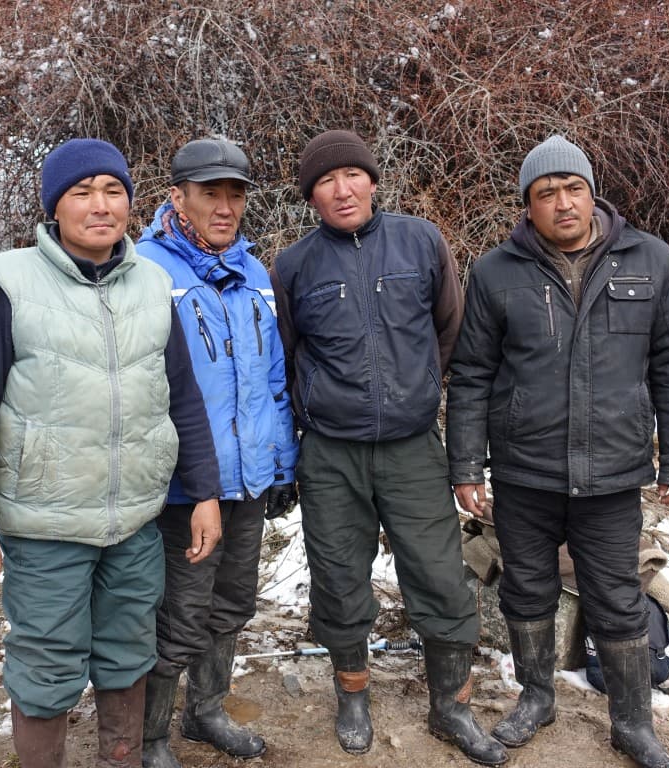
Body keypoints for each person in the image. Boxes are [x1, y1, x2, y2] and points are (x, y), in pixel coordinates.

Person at [0, 138, 223, 768]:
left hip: (133, 521)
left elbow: (182, 397)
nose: (100, 206)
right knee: (46, 662)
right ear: (55, 208)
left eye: (113, 190)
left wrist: (203, 491)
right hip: (45, 524)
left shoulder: (154, 284)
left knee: (129, 650)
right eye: (82, 192)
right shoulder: (9, 282)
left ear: (130, 200)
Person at [446, 134, 669, 768]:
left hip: (613, 469)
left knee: (616, 594)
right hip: (524, 468)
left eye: (574, 189)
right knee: (527, 589)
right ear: (526, 205)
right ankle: (536, 698)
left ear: (592, 194)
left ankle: (632, 722)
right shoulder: (495, 272)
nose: (563, 203)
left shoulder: (651, 259)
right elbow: (473, 373)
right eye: (547, 193)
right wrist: (465, 465)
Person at [269, 130, 507, 766]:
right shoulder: (292, 266)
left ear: (373, 181)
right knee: (339, 578)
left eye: (352, 176)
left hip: (411, 449)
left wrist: (416, 391)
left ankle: (450, 705)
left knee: (437, 576)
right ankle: (352, 693)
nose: (341, 190)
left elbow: (451, 330)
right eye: (325, 181)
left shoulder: (421, 241)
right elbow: (287, 357)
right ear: (310, 196)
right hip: (330, 454)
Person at [133, 138, 299, 768]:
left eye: (235, 194)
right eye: (210, 194)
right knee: (180, 609)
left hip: (250, 477)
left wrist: (283, 464)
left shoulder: (257, 274)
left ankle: (205, 711)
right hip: (184, 486)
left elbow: (273, 379)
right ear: (178, 197)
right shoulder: (147, 270)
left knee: (232, 602)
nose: (225, 207)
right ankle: (150, 737)